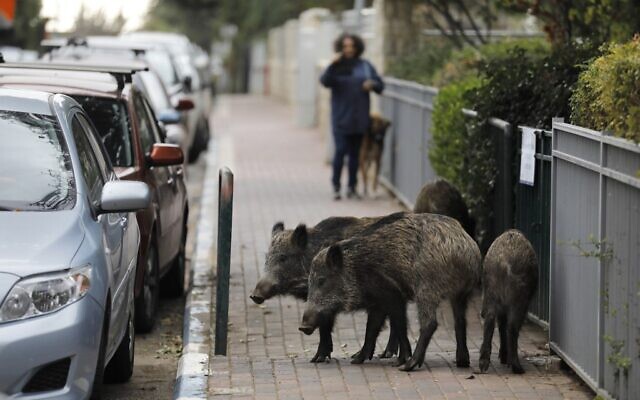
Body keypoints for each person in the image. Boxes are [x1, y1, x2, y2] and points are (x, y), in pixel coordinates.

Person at [320, 33, 384, 200]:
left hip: (359, 117)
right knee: (340, 151)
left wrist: (372, 84)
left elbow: (380, 85)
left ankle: (352, 187)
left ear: (357, 48)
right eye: (345, 46)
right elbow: (325, 81)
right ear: (340, 47)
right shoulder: (336, 66)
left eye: (352, 46)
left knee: (355, 155)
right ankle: (336, 185)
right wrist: (332, 65)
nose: (348, 49)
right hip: (340, 118)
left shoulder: (365, 66)